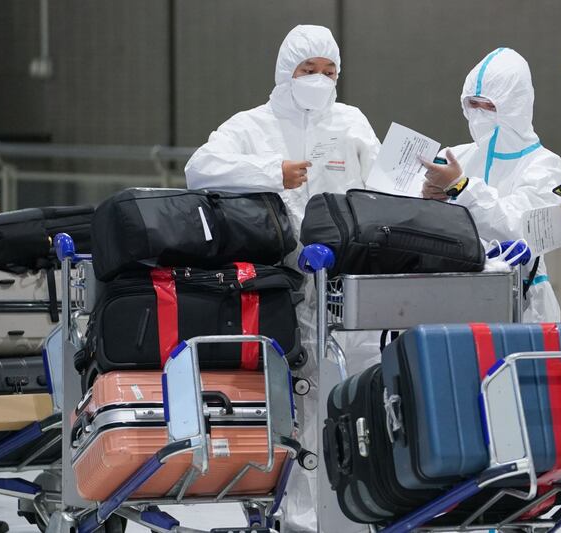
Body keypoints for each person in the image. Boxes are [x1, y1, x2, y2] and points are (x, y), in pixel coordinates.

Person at [185, 25, 380, 532]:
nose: (319, 80)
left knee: (359, 406)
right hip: (285, 292)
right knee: (300, 412)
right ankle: (299, 522)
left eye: (329, 71)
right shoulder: (254, 125)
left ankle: (356, 516)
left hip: (349, 292)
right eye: (307, 70)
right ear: (284, 72)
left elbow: (379, 187)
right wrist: (270, 171)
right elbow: (200, 169)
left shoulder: (352, 121)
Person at [419, 47, 561, 322]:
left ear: (517, 105)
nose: (479, 114)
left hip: (521, 305)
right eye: (473, 104)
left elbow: (520, 229)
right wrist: (427, 197)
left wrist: (460, 188)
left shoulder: (546, 166)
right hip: (452, 295)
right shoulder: (457, 156)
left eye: (489, 105)